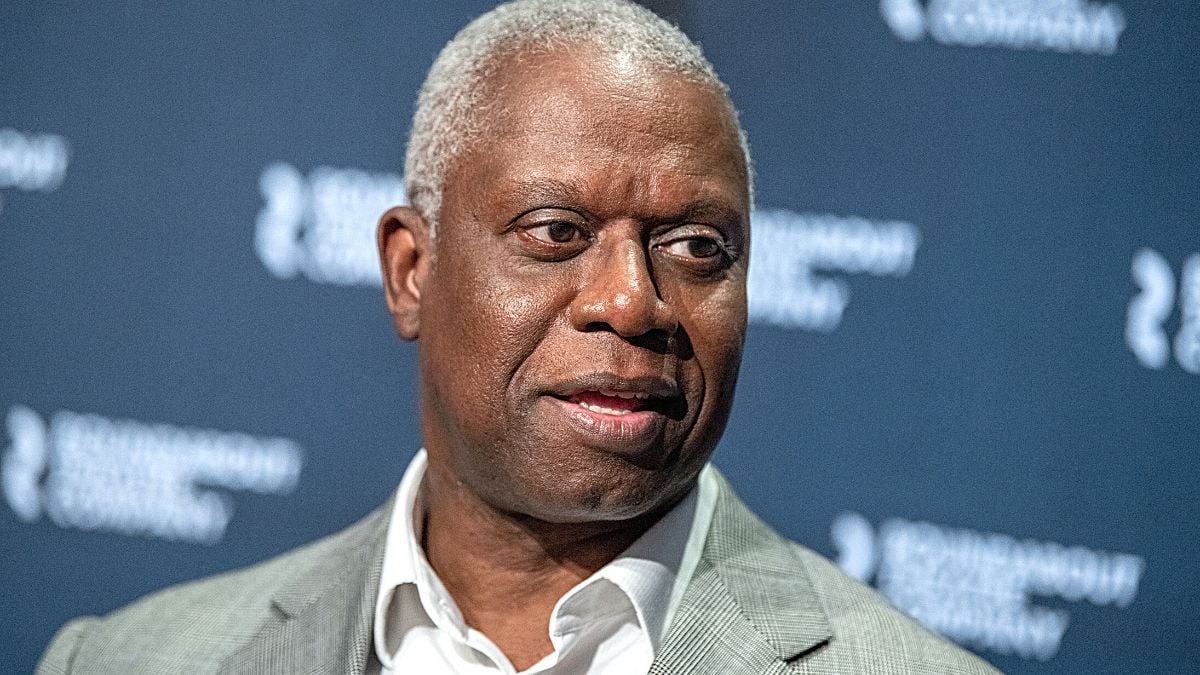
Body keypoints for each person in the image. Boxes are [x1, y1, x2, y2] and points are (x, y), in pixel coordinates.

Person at [38, 1, 998, 673]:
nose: (632, 302)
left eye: (697, 245)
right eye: (557, 233)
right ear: (412, 270)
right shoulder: (124, 660)